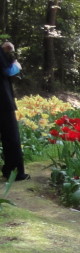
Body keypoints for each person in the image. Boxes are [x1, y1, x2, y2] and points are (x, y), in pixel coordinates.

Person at [0, 41, 27, 181]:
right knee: (10, 136)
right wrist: (16, 66)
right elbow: (7, 70)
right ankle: (14, 171)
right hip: (2, 99)